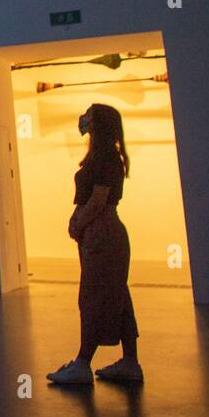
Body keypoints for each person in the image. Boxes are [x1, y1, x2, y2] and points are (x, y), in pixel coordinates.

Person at [47, 103, 142, 385]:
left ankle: (82, 363)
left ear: (99, 124)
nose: (84, 118)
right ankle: (130, 361)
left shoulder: (105, 159)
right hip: (103, 233)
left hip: (103, 233)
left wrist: (78, 223)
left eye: (89, 115)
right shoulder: (106, 157)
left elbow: (98, 200)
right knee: (117, 296)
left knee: (93, 298)